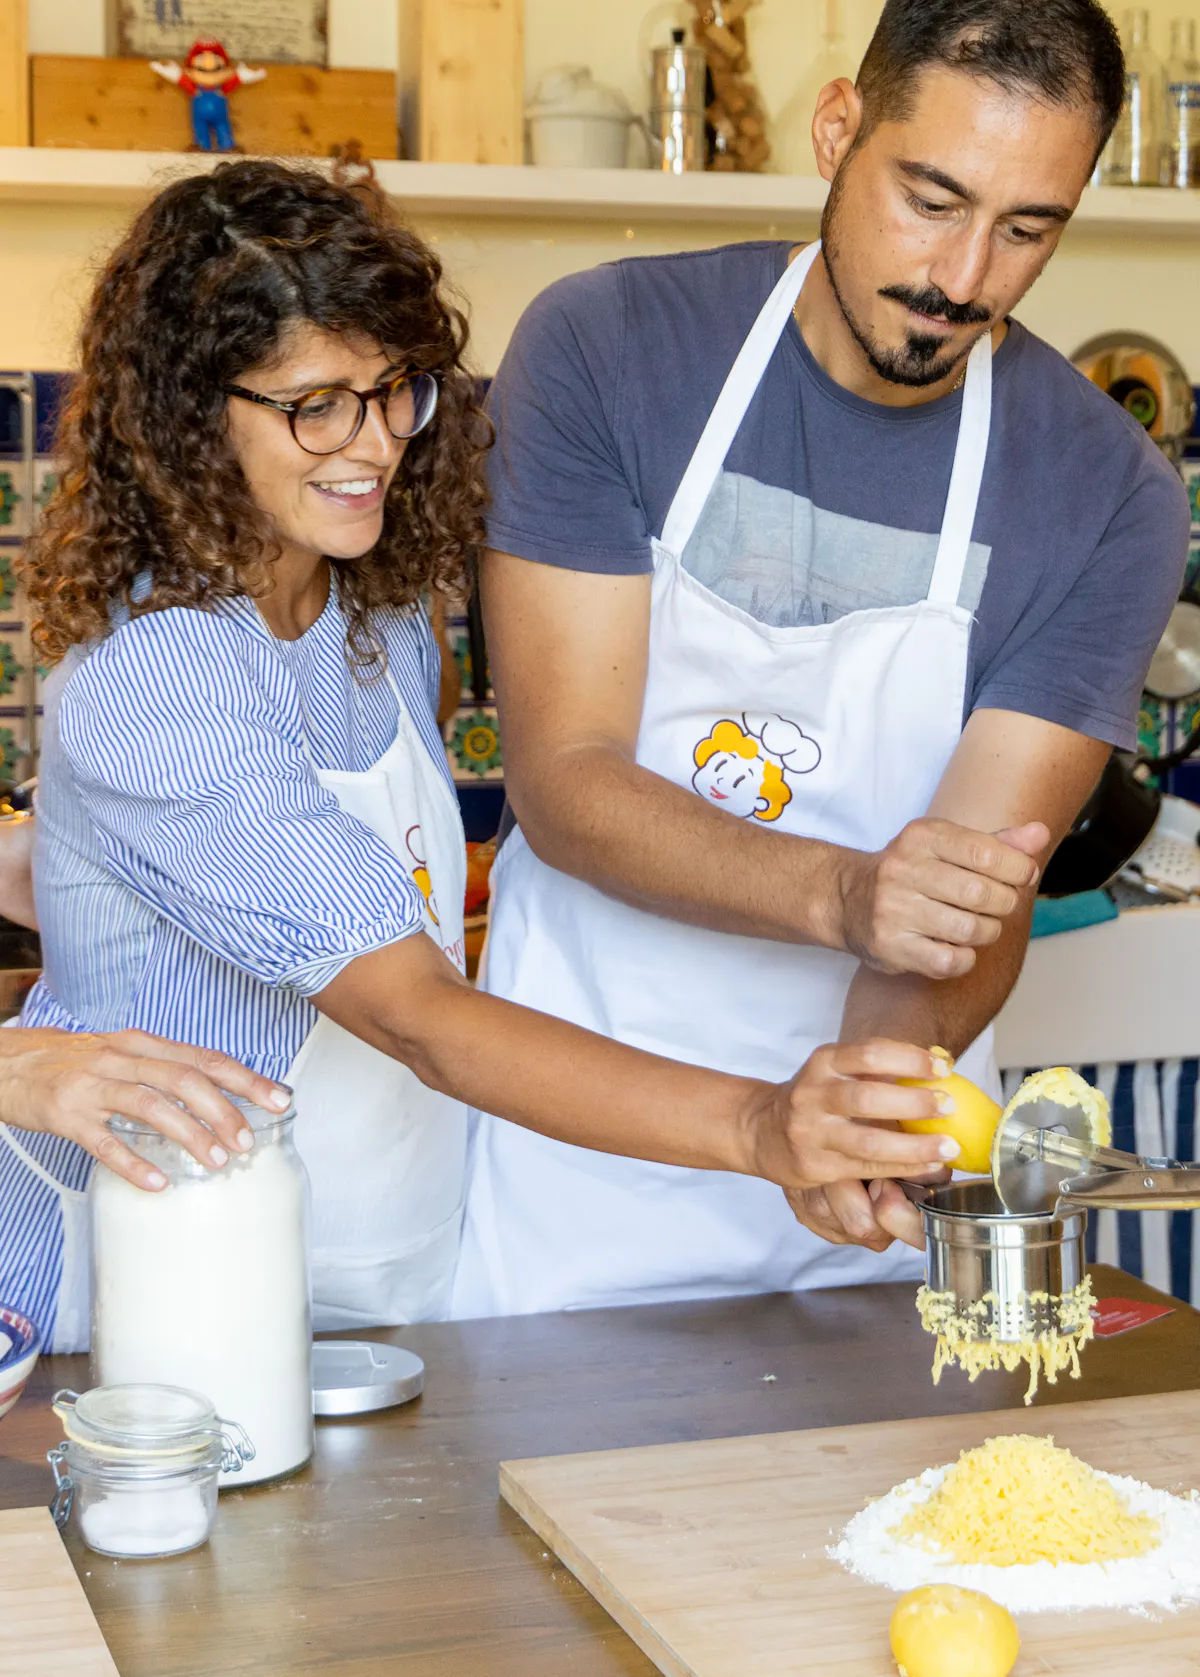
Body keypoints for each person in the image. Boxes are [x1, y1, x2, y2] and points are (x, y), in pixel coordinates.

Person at [0, 160, 959, 1353]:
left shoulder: (380, 614)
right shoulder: (164, 677)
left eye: (395, 388)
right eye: (315, 405)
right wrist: (763, 1127)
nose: (373, 443)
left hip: (369, 1282)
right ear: (194, 418)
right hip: (141, 1293)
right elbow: (417, 1016)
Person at [451, 0, 1191, 1319]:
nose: (965, 277)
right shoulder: (607, 350)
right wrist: (850, 894)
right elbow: (564, 784)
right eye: (932, 199)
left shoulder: (1106, 495)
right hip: (578, 1174)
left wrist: (865, 1089)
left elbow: (977, 891)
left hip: (868, 1200)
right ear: (840, 127)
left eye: (1028, 229)